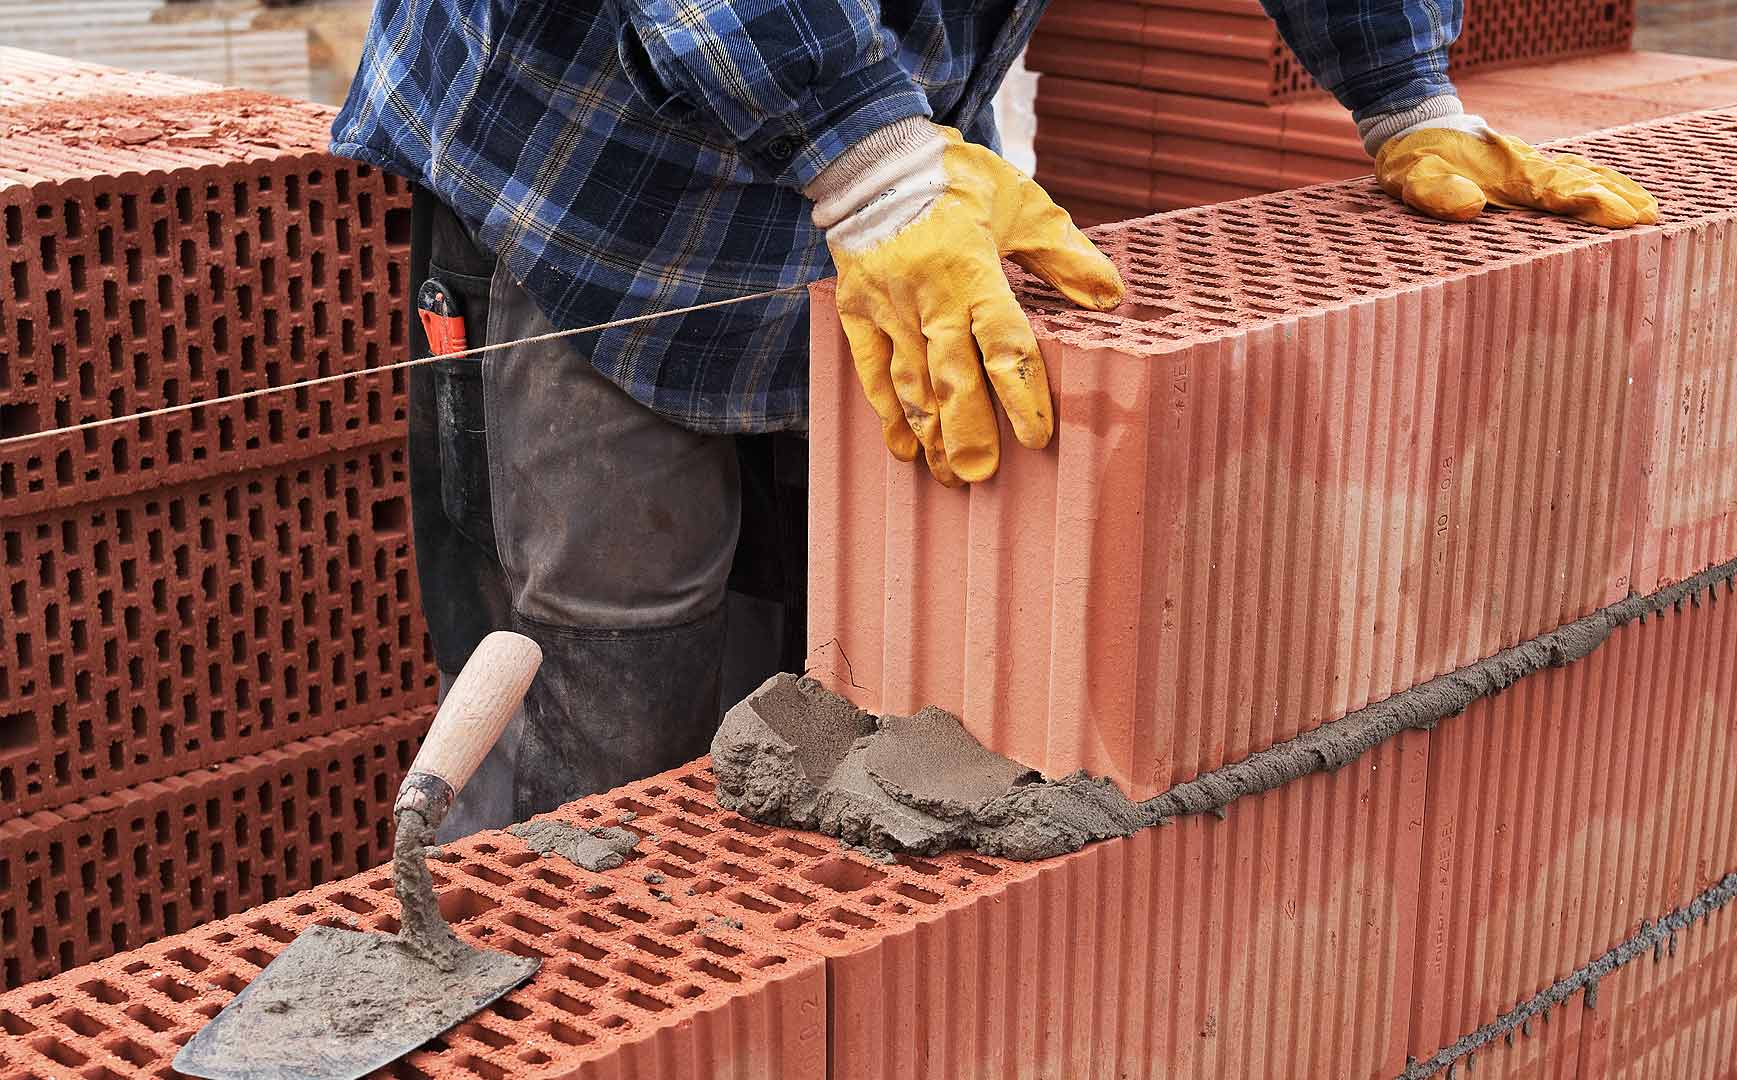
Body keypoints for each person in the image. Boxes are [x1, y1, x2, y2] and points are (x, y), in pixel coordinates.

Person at [330, 0, 1654, 837]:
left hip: (876, 155)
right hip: (590, 188)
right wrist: (863, 152)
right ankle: (564, 974)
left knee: (822, 686)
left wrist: (1403, 84)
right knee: (604, 704)